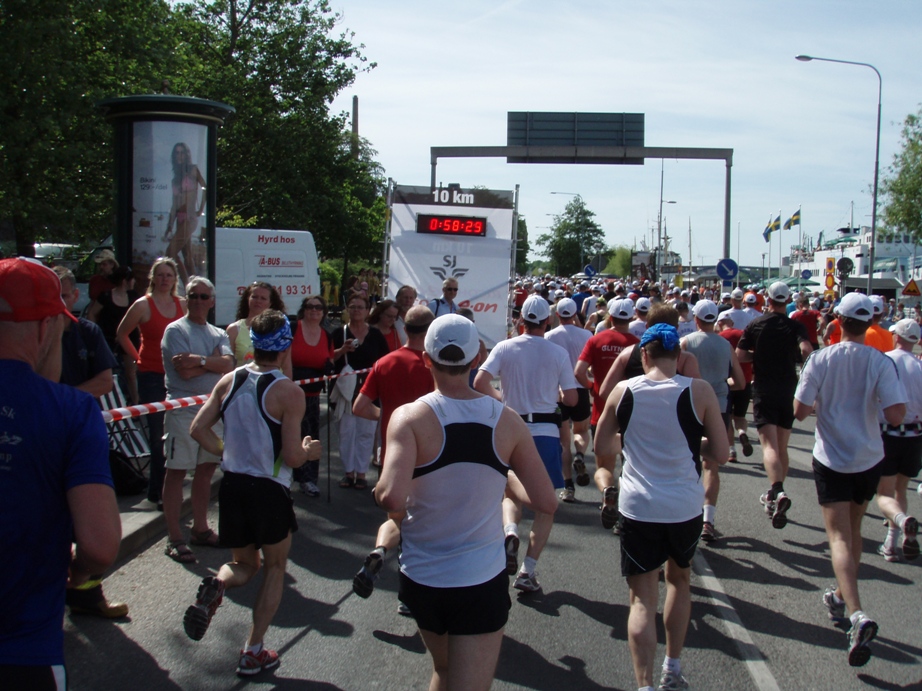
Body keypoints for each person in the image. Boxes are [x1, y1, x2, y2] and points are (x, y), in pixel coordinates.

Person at [375, 314, 557, 691]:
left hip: (422, 576)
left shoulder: (408, 417)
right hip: (479, 579)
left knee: (443, 671)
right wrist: (501, 472)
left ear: (426, 359)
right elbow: (544, 500)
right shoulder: (506, 420)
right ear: (478, 358)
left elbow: (391, 495)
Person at [0, 258, 121, 689]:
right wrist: (78, 569)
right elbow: (100, 545)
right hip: (23, 646)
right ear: (44, 326)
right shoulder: (71, 411)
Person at [186, 310, 322, 677]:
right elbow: (292, 456)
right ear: (285, 347)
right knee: (275, 567)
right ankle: (253, 651)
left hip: (232, 485)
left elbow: (198, 428)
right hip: (268, 489)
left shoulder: (229, 380)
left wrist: (227, 452)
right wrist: (310, 452)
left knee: (244, 564)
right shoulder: (288, 392)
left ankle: (218, 582)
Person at [594, 323, 727, 691]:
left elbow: (602, 446)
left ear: (644, 355)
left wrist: (633, 439)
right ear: (679, 357)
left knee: (641, 599)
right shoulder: (698, 391)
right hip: (684, 505)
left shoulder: (624, 390)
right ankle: (672, 666)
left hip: (639, 506)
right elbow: (722, 452)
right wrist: (689, 445)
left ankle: (645, 684)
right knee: (679, 582)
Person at [794, 292, 906, 668]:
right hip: (868, 457)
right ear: (869, 321)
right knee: (855, 530)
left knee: (839, 537)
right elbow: (895, 415)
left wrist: (826, 404)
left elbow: (799, 411)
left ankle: (856, 613)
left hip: (832, 457)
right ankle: (841, 596)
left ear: (837, 322)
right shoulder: (880, 361)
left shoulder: (820, 359)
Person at [474, 295, 578, 593]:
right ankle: (528, 569)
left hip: (510, 427)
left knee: (511, 493)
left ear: (521, 320)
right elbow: (571, 398)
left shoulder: (506, 346)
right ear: (548, 321)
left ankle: (510, 532)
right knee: (546, 506)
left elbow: (480, 383)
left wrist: (503, 403)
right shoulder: (557, 353)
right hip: (544, 430)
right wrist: (555, 394)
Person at [54, 267, 127, 619]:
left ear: (74, 296)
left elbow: (104, 381)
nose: (62, 302)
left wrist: (59, 399)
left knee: (88, 522)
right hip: (42, 439)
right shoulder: (33, 335)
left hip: (80, 435)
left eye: (66, 295)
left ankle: (87, 593)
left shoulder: (88, 332)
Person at [351, 306, 436, 601]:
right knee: (422, 529)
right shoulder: (431, 366)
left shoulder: (384, 362)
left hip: (391, 454)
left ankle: (380, 550)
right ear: (429, 331)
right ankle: (407, 597)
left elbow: (359, 407)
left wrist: (388, 417)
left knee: (395, 518)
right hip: (426, 456)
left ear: (405, 329)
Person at [161, 277, 235, 563]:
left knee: (206, 470)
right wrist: (211, 363)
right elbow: (183, 372)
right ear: (185, 299)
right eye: (193, 296)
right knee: (177, 473)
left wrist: (199, 361)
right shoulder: (175, 330)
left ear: (212, 301)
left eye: (204, 296)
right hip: (182, 412)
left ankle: (201, 530)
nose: (198, 301)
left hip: (212, 412)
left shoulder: (218, 333)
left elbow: (229, 366)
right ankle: (175, 536)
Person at [737, 281, 812, 530]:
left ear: (767, 299)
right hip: (788, 388)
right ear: (787, 299)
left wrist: (757, 355)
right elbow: (806, 348)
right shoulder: (795, 325)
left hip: (764, 388)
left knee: (768, 446)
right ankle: (775, 493)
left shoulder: (756, 324)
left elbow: (740, 355)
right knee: (782, 446)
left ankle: (777, 491)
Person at [116, 257, 186, 509]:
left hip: (178, 377)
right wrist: (137, 359)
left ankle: (167, 487)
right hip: (151, 376)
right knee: (157, 436)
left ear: (175, 279)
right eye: (160, 275)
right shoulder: (142, 305)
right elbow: (121, 334)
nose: (164, 279)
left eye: (169, 275)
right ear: (153, 278)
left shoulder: (183, 305)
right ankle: (156, 492)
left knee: (178, 431)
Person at [680, 299, 744, 543]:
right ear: (714, 320)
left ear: (696, 319)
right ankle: (708, 519)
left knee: (687, 459)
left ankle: (686, 513)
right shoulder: (725, 345)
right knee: (712, 465)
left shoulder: (685, 343)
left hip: (691, 405)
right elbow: (738, 381)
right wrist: (723, 384)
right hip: (719, 406)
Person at [874, 318, 921, 562]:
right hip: (915, 435)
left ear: (897, 336)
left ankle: (894, 538)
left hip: (888, 433)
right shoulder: (920, 366)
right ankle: (896, 538)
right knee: (901, 489)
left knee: (884, 493)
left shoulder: (886, 360)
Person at [331, 293, 390, 489]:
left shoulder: (375, 335)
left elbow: (385, 362)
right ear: (347, 310)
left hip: (370, 391)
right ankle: (348, 472)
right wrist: (341, 351)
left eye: (360, 307)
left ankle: (362, 473)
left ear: (367, 311)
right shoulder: (339, 333)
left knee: (366, 432)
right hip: (346, 390)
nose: (356, 310)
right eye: (353, 306)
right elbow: (328, 360)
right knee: (346, 432)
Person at [545, 297, 592, 502]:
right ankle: (580, 453)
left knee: (564, 443)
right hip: (580, 389)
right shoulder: (587, 334)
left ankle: (568, 487)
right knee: (581, 432)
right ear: (575, 314)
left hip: (558, 391)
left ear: (557, 315)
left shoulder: (549, 336)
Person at [289, 295, 334, 497]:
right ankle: (286, 476)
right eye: (309, 307)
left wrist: (329, 367)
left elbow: (330, 359)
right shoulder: (292, 329)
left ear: (323, 312)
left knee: (311, 437)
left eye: (318, 307)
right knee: (288, 435)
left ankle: (308, 479)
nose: (314, 310)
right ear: (304, 309)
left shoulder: (327, 335)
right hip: (289, 394)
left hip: (313, 395)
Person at [87, 264, 140, 403]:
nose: (134, 282)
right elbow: (91, 313)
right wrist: (96, 331)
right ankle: (113, 402)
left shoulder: (134, 296)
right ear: (125, 281)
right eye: (132, 279)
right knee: (110, 373)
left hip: (130, 340)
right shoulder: (105, 296)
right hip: (109, 341)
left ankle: (136, 402)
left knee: (131, 373)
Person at [162, 141, 207, 285]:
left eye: (182, 152)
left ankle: (186, 283)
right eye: (177, 153)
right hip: (179, 217)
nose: (179, 155)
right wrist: (169, 224)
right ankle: (193, 285)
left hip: (190, 216)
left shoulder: (193, 170)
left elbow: (205, 188)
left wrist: (200, 209)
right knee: (186, 255)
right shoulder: (175, 178)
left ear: (187, 154)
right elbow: (174, 204)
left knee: (171, 252)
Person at [225, 282, 290, 374]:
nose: (258, 301)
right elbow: (228, 365)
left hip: (273, 384)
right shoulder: (234, 329)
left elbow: (286, 367)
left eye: (263, 298)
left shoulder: (280, 330)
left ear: (270, 303)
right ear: (248, 298)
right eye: (254, 297)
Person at [716, 312, 753, 464]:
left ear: (719, 323)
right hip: (745, 381)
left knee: (728, 417)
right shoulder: (743, 334)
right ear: (731, 322)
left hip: (727, 381)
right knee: (740, 417)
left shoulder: (719, 338)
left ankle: (732, 450)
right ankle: (743, 432)